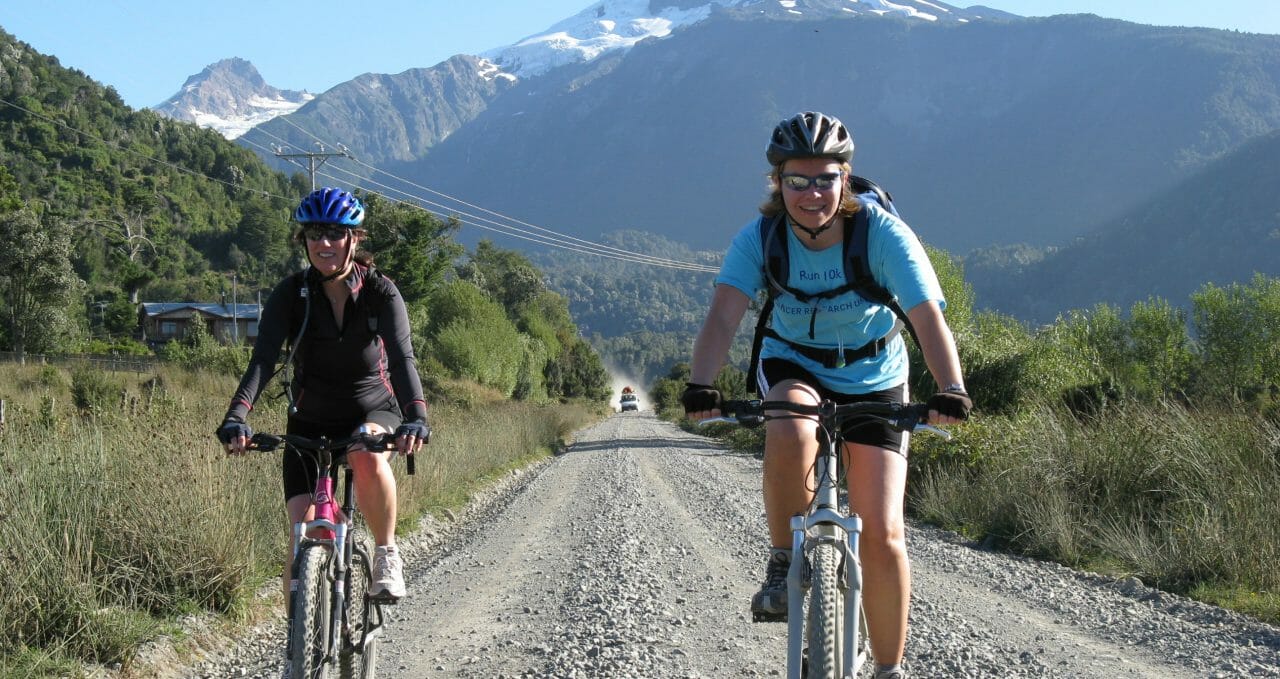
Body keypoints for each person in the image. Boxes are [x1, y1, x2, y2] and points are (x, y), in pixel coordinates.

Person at [681, 112, 971, 679]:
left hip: (875, 371)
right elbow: (722, 317)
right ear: (777, 183)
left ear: (846, 180)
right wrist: (700, 385)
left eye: (826, 179)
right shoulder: (760, 238)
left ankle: (889, 669)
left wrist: (951, 388)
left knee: (883, 533)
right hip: (794, 363)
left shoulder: (881, 234)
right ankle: (783, 559)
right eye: (798, 180)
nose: (812, 193)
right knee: (791, 423)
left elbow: (926, 315)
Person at [216, 187, 430, 604]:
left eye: (335, 233)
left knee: (363, 453)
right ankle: (299, 651)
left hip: (372, 410)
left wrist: (416, 416)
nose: (324, 243)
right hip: (308, 419)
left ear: (354, 239)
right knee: (302, 546)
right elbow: (262, 360)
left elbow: (403, 359)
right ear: (304, 240)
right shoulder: (290, 295)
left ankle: (386, 553)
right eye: (315, 233)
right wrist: (236, 416)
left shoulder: (380, 292)